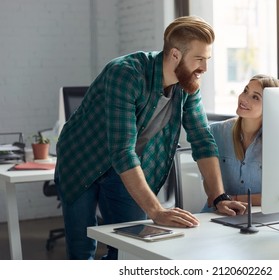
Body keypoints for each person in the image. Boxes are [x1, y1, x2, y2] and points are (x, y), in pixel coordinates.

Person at [55, 16, 246, 260]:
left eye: (207, 60)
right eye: (199, 59)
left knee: (130, 248)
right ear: (175, 55)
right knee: (82, 249)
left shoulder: (187, 85)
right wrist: (156, 210)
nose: (204, 68)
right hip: (82, 160)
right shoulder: (125, 74)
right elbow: (123, 150)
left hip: (123, 168)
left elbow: (202, 139)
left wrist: (219, 196)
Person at [202, 74, 279, 212]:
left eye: (255, 97)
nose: (244, 98)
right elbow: (209, 183)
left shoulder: (278, 143)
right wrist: (221, 200)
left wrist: (233, 199)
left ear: (271, 106)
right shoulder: (216, 131)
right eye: (246, 91)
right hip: (217, 214)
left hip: (258, 216)